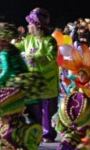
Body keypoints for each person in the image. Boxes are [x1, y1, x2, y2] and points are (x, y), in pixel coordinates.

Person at [17, 8, 60, 142]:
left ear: (36, 25)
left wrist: (36, 58)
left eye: (30, 24)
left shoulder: (49, 41)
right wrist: (4, 46)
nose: (27, 26)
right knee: (33, 109)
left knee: (48, 110)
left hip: (47, 80)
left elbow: (52, 57)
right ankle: (36, 132)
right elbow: (18, 47)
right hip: (32, 81)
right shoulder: (28, 39)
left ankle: (48, 134)